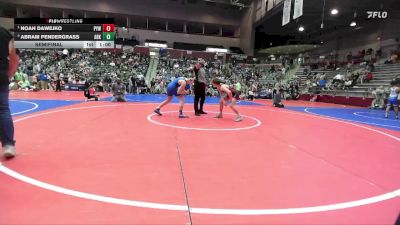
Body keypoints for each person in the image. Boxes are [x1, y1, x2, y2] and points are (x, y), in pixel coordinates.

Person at [0, 26, 19, 159]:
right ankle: (8, 145)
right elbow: (14, 58)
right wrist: (9, 75)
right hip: (1, 75)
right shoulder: (5, 34)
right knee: (3, 110)